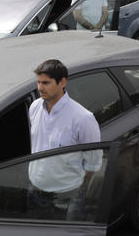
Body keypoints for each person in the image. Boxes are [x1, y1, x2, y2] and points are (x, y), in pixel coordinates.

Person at [28, 59, 101, 221]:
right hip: (35, 187)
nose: (40, 88)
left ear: (62, 82)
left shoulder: (83, 119)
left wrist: (78, 193)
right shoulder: (34, 107)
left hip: (66, 195)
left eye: (46, 83)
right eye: (38, 82)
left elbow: (93, 162)